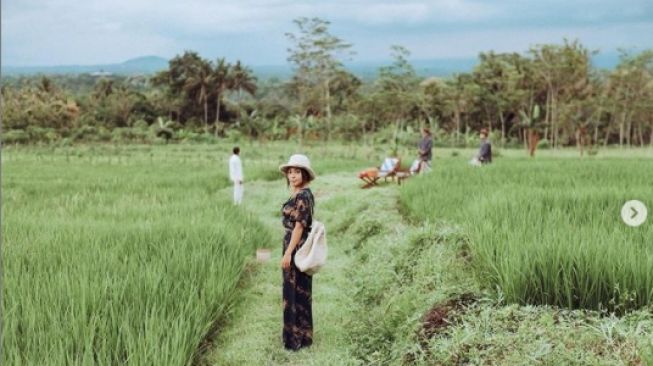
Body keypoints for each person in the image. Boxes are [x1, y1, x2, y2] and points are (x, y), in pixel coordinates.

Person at [279, 154, 316, 351]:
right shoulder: (301, 193)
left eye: (296, 172)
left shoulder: (303, 195)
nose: (292, 176)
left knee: (293, 291)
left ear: (305, 174)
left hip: (296, 246)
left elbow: (299, 227)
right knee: (301, 290)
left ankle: (294, 339)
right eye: (290, 172)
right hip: (296, 245)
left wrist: (288, 254)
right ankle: (304, 336)